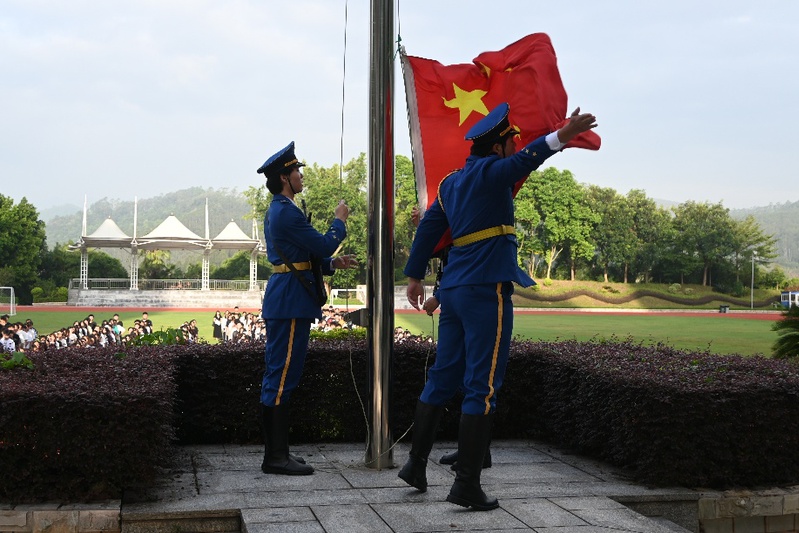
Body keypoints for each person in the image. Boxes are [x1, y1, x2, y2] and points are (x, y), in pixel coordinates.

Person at [398, 103, 598, 510]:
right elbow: (527, 161)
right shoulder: (492, 173)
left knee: (442, 377)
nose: (517, 146)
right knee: (482, 386)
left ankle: (416, 465)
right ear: (499, 146)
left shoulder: (452, 183)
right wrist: (561, 136)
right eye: (512, 141)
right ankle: (466, 485)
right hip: (486, 289)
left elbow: (431, 229)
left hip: (453, 292)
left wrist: (415, 275)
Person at [256, 141, 358, 476]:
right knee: (281, 375)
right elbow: (324, 242)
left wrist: (330, 264)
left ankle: (280, 452)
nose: (301, 176)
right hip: (289, 301)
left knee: (285, 373)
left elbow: (304, 256)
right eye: (296, 171)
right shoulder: (285, 212)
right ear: (285, 177)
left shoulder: (283, 210)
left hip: (290, 296)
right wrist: (338, 221)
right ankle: (275, 457)